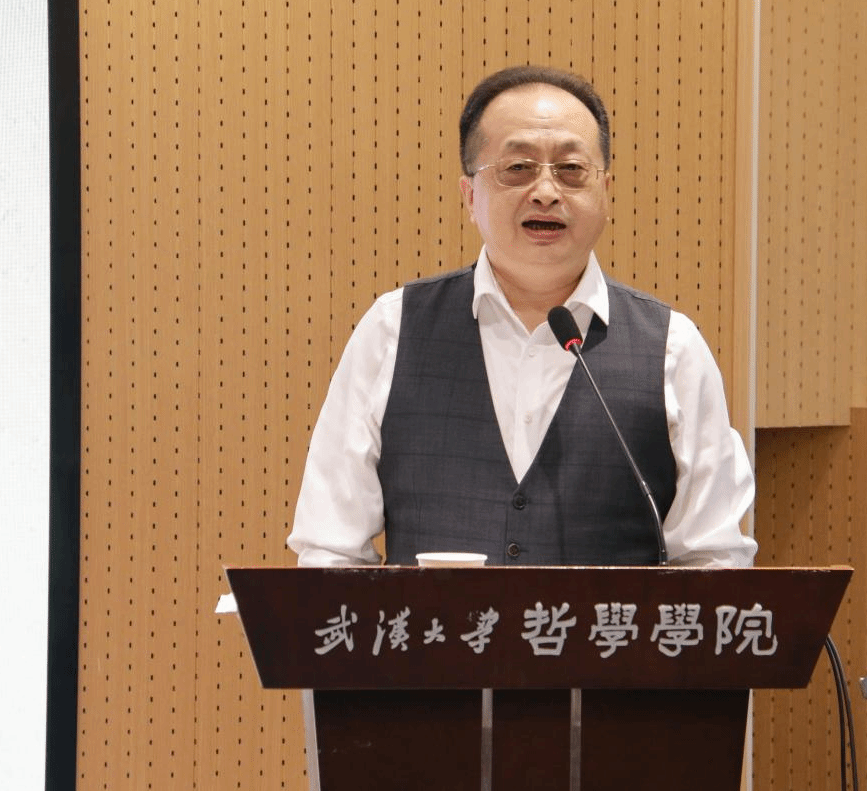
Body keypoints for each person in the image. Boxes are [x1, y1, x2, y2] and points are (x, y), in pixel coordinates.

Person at [287, 65, 756, 567]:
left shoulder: (672, 349)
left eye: (571, 169)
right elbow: (331, 552)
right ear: (470, 196)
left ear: (605, 192)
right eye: (518, 168)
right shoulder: (392, 330)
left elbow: (712, 562)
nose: (547, 191)